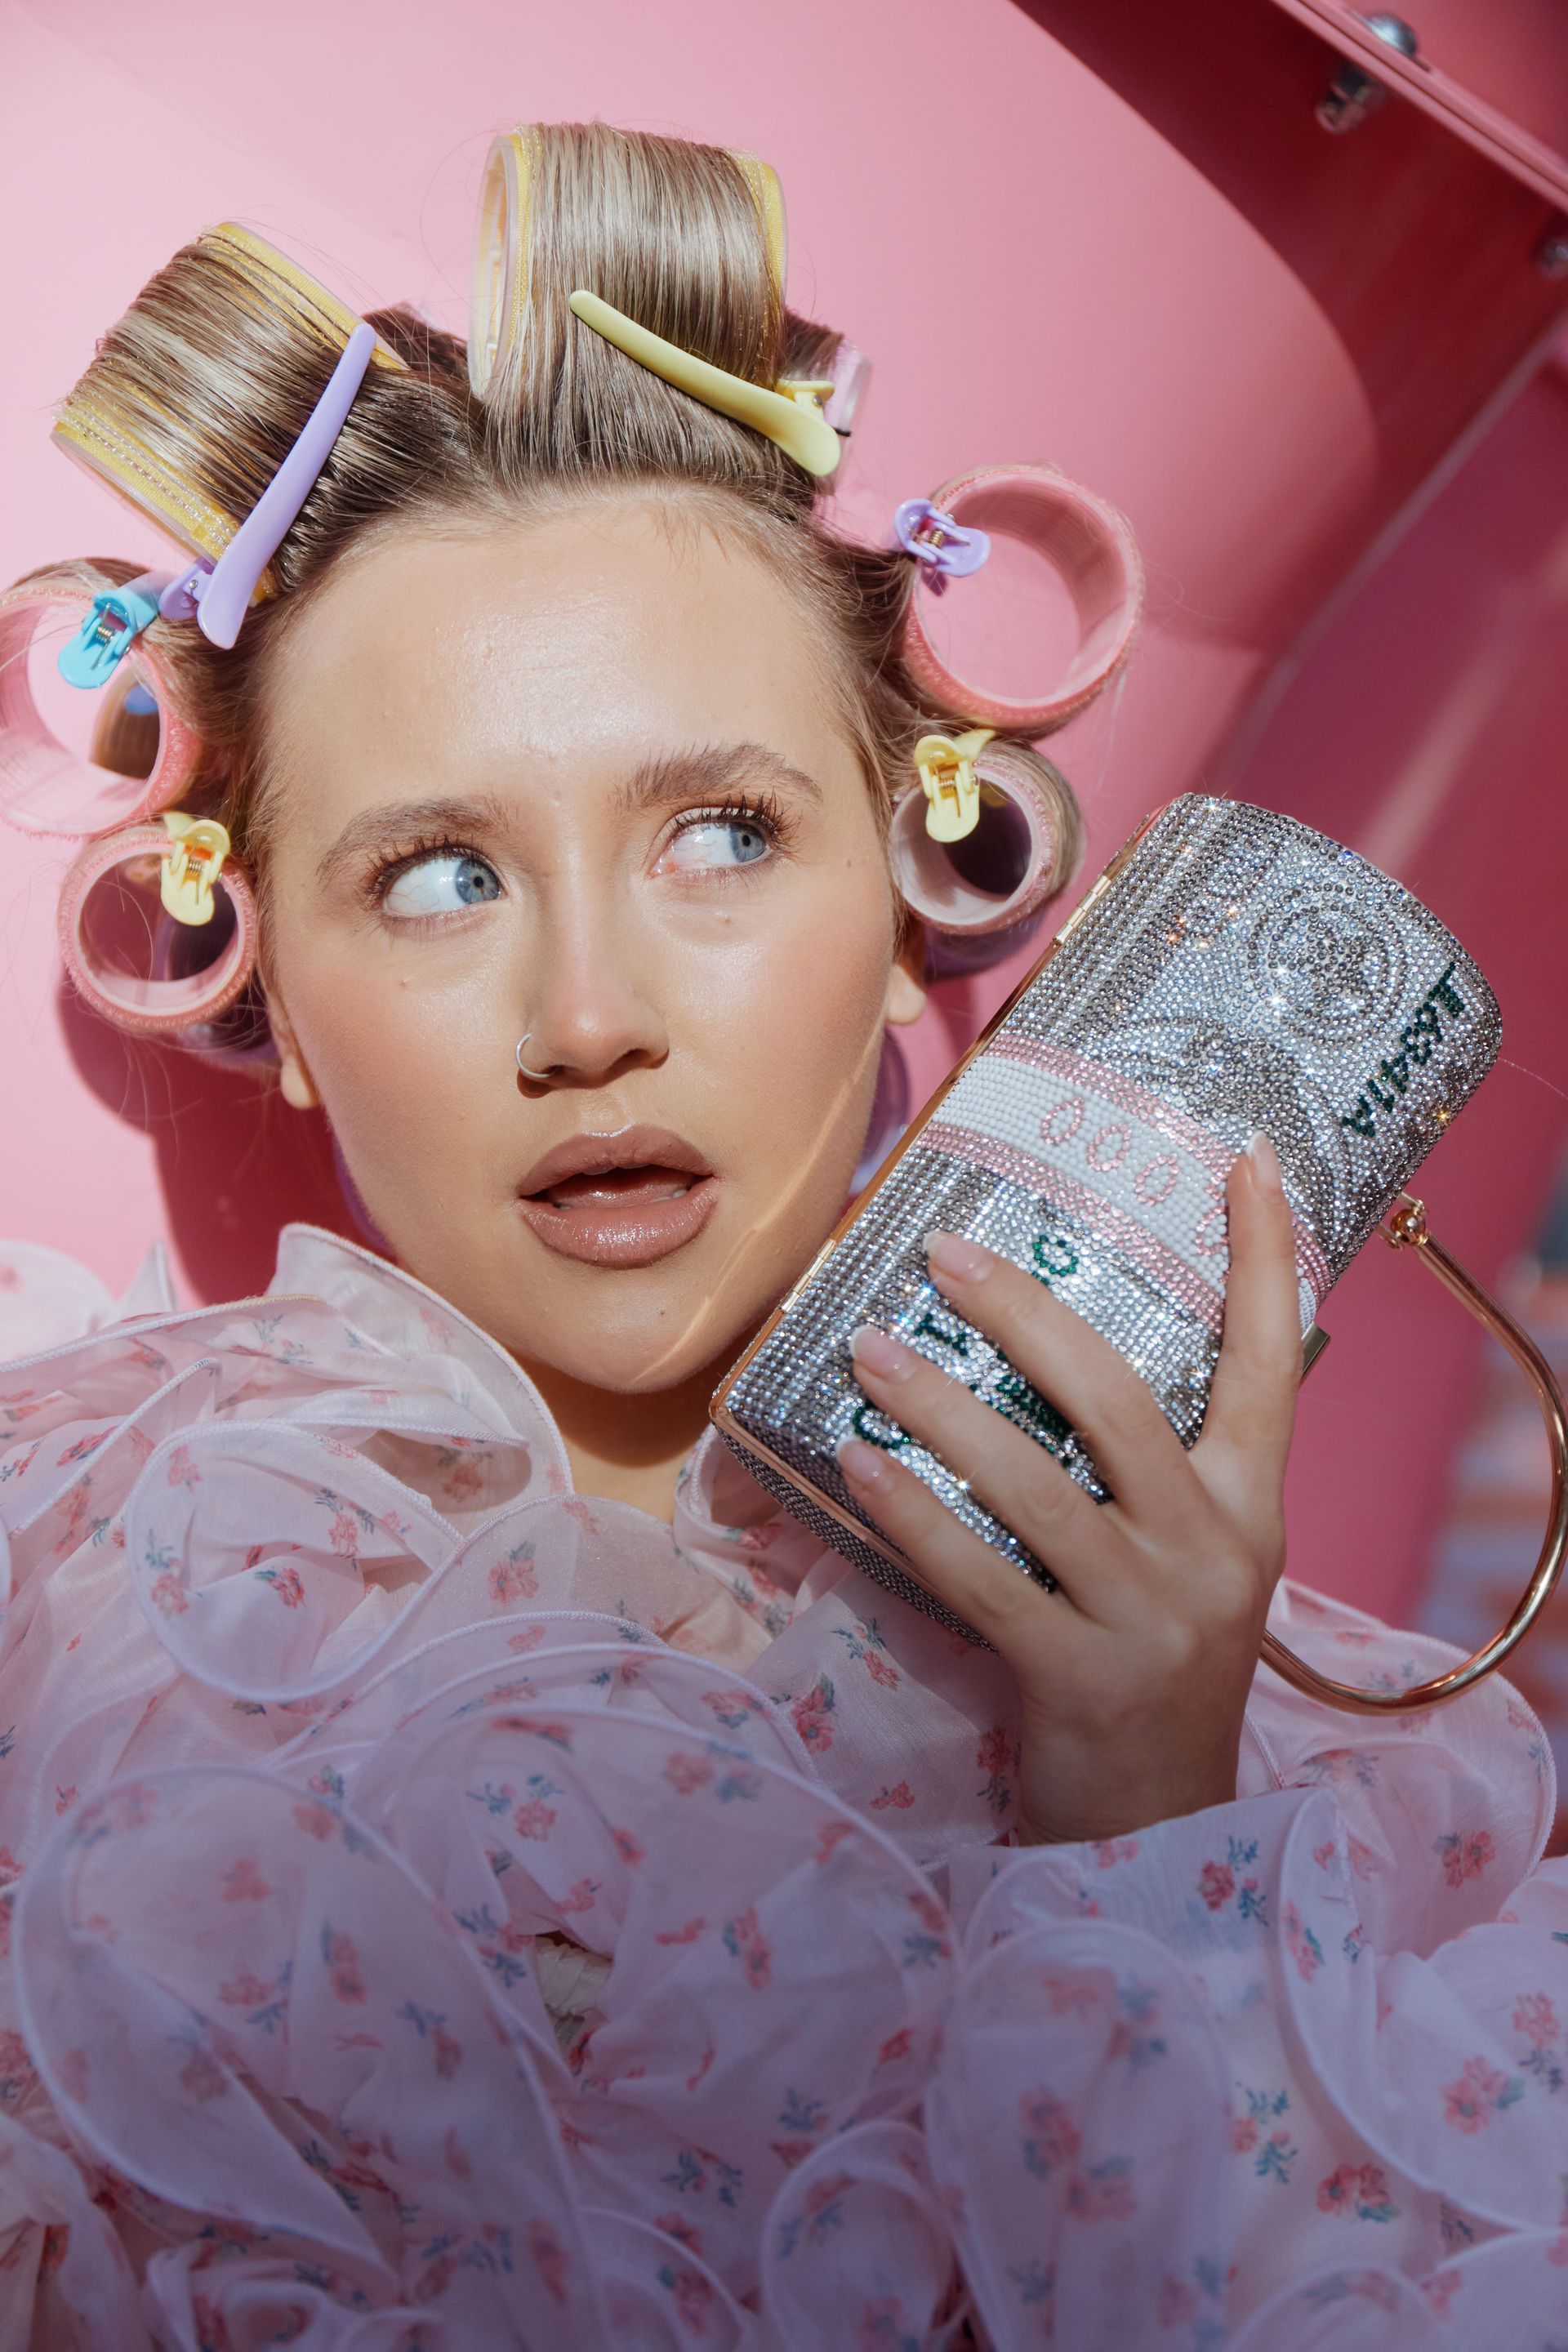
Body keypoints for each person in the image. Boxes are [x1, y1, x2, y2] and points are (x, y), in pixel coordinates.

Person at [0, 121, 1565, 2352]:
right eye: (438, 876)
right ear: (281, 1006)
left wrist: (1148, 1827)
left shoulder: (1319, 1808)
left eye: (723, 835)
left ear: (908, 891)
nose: (593, 1017)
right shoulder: (46, 1609)